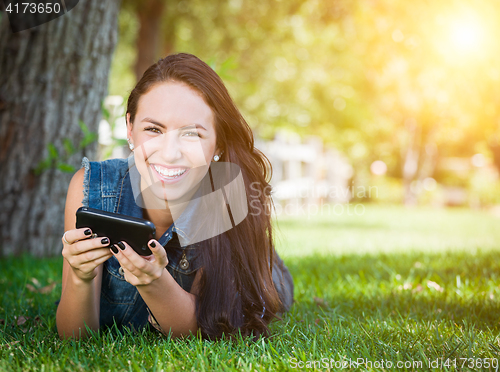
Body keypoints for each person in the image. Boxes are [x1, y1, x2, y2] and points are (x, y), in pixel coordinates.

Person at [56, 53, 294, 340]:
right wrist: (82, 277)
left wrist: (154, 281)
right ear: (130, 128)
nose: (169, 153)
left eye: (191, 134)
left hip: (255, 268)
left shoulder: (229, 201)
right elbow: (74, 336)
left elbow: (209, 326)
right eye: (153, 130)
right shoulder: (91, 187)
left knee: (267, 297)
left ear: (217, 140)